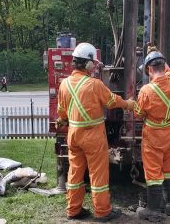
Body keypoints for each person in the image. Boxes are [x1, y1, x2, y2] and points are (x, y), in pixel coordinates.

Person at [56, 42, 134, 222]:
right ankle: (102, 211)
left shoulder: (64, 84)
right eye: (94, 63)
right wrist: (128, 104)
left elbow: (62, 112)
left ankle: (73, 210)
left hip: (73, 135)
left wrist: (65, 119)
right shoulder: (94, 84)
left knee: (75, 172)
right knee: (98, 174)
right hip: (92, 135)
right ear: (88, 64)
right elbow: (112, 101)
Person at [133, 45, 170, 222]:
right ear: (164, 66)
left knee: (153, 172)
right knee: (169, 169)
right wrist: (156, 53)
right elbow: (167, 69)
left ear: (148, 70)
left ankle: (153, 210)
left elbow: (138, 114)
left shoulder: (146, 91)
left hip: (154, 137)